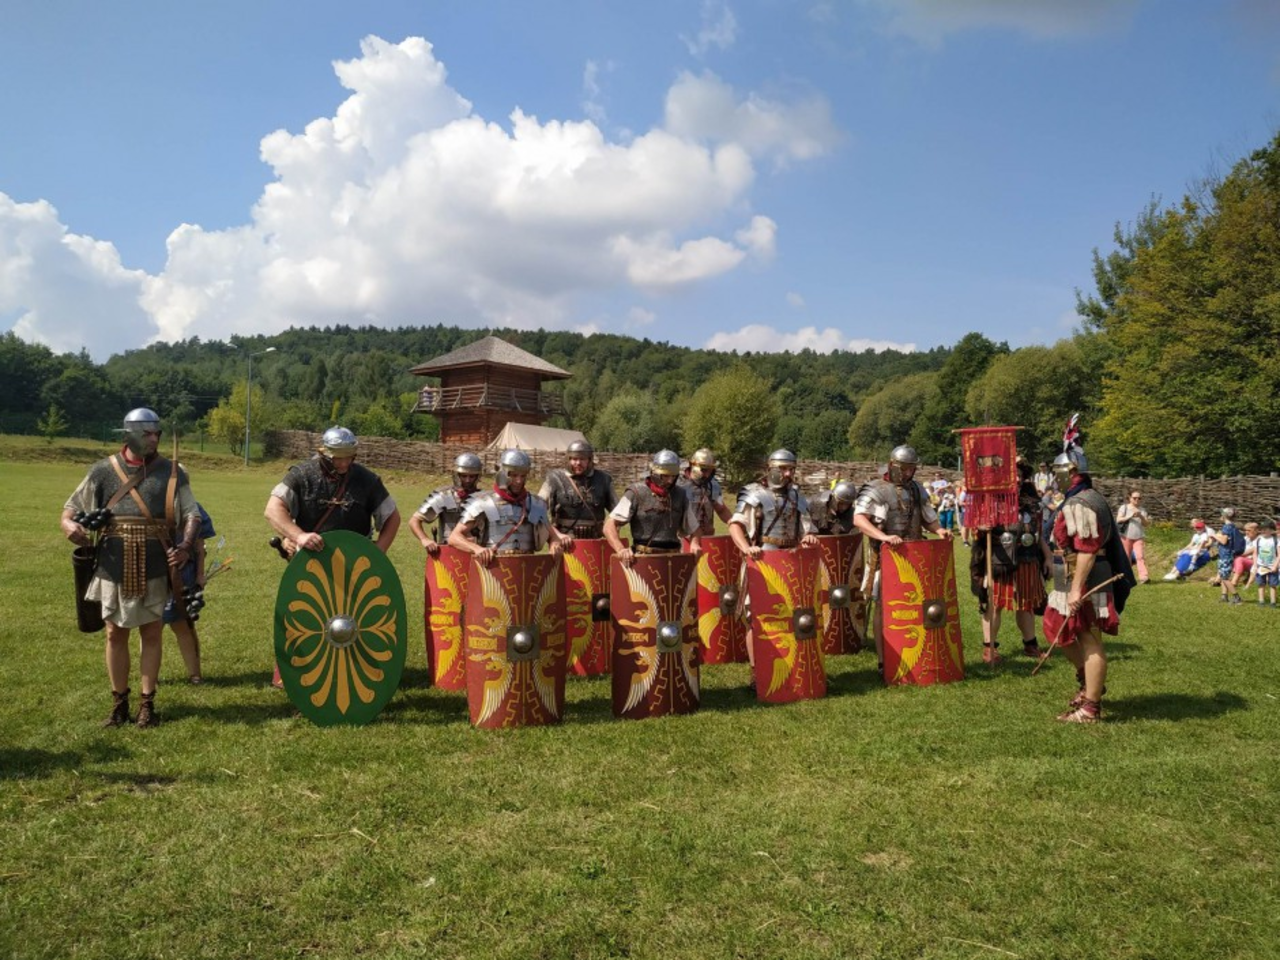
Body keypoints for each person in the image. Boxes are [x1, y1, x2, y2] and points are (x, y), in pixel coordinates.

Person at [61, 408, 201, 727]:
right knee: (114, 633)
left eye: (157, 434)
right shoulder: (102, 471)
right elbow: (70, 509)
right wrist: (68, 525)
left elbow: (192, 513)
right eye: (147, 433)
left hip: (155, 561)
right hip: (113, 562)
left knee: (151, 632)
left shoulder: (173, 472)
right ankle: (119, 703)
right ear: (128, 435)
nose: (153, 439)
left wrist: (184, 546)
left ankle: (147, 703)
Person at [264, 426, 401, 686]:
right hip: (310, 561)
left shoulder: (367, 480)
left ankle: (354, 674)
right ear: (325, 454)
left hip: (354, 564)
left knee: (353, 619)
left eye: (349, 457)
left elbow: (392, 517)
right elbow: (273, 509)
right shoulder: (302, 475)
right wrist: (298, 536)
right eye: (338, 458)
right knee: (303, 617)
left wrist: (378, 551)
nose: (344, 463)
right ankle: (293, 674)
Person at [1043, 432, 1132, 724]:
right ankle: (1088, 683)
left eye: (1058, 471)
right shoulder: (1079, 498)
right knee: (1057, 629)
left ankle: (1091, 707)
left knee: (1089, 637)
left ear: (1071, 472)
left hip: (1086, 576)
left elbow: (1087, 550)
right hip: (1067, 573)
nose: (1054, 477)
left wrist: (1076, 589)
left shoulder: (1082, 502)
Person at [853, 444, 952, 668]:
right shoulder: (876, 488)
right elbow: (859, 519)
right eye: (904, 468)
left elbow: (927, 517)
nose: (908, 473)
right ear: (893, 466)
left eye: (911, 468)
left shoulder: (917, 489)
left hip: (913, 554)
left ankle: (912, 652)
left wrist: (939, 530)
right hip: (884, 557)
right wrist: (884, 537)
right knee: (883, 606)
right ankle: (883, 660)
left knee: (915, 603)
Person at [970, 461, 1051, 662]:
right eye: (1013, 475)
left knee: (1026, 604)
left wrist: (1048, 557)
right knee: (994, 604)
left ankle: (1030, 645)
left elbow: (1038, 535)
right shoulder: (990, 502)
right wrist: (982, 527)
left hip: (1027, 559)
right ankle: (990, 648)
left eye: (1020, 475)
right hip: (1000, 561)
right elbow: (977, 534)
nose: (1017, 479)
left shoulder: (1032, 503)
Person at [449, 449, 567, 563]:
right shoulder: (483, 502)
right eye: (514, 475)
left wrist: (554, 543)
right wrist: (477, 549)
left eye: (522, 476)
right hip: (493, 569)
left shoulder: (535, 503)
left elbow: (553, 536)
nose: (519, 481)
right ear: (502, 474)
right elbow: (454, 537)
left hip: (527, 569)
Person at [604, 449, 703, 565]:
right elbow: (609, 525)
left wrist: (695, 543)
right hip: (642, 561)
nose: (670, 481)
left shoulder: (680, 495)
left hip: (673, 561)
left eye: (673, 476)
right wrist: (620, 549)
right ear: (655, 473)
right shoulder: (635, 492)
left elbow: (695, 529)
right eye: (665, 476)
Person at [163, 502, 216, 684]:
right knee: (150, 629)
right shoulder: (151, 502)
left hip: (182, 576)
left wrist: (200, 575)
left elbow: (199, 546)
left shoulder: (191, 506)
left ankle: (195, 674)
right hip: (155, 575)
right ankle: (150, 677)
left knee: (183, 625)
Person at [538, 439, 617, 545]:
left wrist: (608, 529)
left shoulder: (604, 479)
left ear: (589, 460)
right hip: (563, 542)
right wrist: (555, 535)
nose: (578, 463)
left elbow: (618, 513)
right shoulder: (555, 478)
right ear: (568, 459)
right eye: (574, 459)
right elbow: (537, 510)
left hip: (596, 543)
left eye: (582, 459)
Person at [408, 452, 483, 554]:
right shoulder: (444, 495)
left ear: (477, 476)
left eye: (472, 476)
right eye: (464, 476)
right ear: (457, 475)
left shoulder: (484, 498)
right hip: (448, 552)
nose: (467, 480)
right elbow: (414, 521)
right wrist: (424, 539)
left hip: (478, 552)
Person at [677, 448, 733, 536]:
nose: (707, 475)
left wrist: (735, 524)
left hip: (707, 538)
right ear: (693, 466)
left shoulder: (713, 485)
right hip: (685, 538)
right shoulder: (679, 485)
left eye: (710, 471)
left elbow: (721, 510)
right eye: (704, 470)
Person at [1115, 490, 1151, 584]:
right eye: (1135, 498)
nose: (1137, 500)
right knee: (1127, 558)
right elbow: (1118, 520)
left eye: (1139, 498)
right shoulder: (1124, 508)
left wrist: (1141, 516)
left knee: (1140, 556)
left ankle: (1144, 577)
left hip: (1138, 537)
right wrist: (1130, 516)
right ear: (1130, 498)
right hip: (1126, 536)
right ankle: (1126, 577)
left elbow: (1146, 524)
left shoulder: (1142, 510)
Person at [1212, 508, 1247, 603]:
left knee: (1224, 577)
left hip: (1225, 555)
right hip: (1228, 554)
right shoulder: (1232, 526)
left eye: (1221, 514)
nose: (1220, 516)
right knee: (1224, 575)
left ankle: (1236, 597)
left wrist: (1214, 535)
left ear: (1224, 516)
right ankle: (1224, 596)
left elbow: (1224, 541)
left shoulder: (1227, 527)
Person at [1250, 519, 1278, 607]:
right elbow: (1255, 553)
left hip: (1272, 567)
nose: (1263, 531)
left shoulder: (1276, 540)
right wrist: (1255, 565)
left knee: (1272, 584)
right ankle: (1261, 601)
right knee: (1260, 584)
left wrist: (1275, 566)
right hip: (1260, 566)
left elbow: (1279, 555)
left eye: (1266, 529)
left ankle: (1273, 602)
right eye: (1262, 529)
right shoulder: (1258, 540)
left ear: (1271, 530)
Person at [1233, 522, 1260, 600]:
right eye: (1246, 530)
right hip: (1243, 560)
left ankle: (1234, 582)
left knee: (1239, 559)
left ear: (1256, 531)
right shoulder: (1246, 538)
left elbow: (1251, 551)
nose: (1246, 532)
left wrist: (1236, 554)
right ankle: (1222, 580)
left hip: (1254, 561)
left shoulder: (1259, 540)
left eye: (1249, 530)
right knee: (1229, 560)